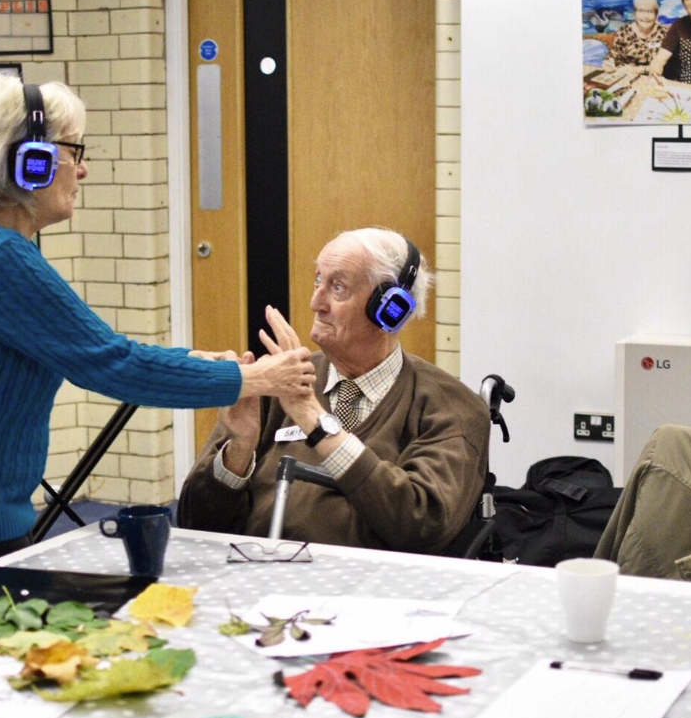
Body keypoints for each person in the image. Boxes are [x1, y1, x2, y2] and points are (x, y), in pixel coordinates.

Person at [0, 74, 315, 584]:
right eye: (73, 150)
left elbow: (89, 349)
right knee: (11, 647)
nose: (83, 169)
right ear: (26, 161)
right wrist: (257, 380)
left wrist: (194, 364)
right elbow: (111, 364)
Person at [178, 228, 490, 555]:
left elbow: (421, 525)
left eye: (338, 287)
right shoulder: (277, 380)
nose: (316, 302)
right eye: (318, 280)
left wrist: (313, 418)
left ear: (389, 309)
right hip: (256, 582)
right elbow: (192, 525)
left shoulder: (451, 408)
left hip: (369, 597)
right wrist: (237, 454)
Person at [604, 0, 667, 71]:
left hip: (653, 77)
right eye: (641, 11)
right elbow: (614, 55)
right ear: (635, 13)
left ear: (656, 14)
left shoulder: (663, 32)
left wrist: (638, 70)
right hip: (625, 75)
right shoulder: (624, 30)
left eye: (650, 12)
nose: (645, 16)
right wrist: (609, 63)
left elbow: (666, 64)